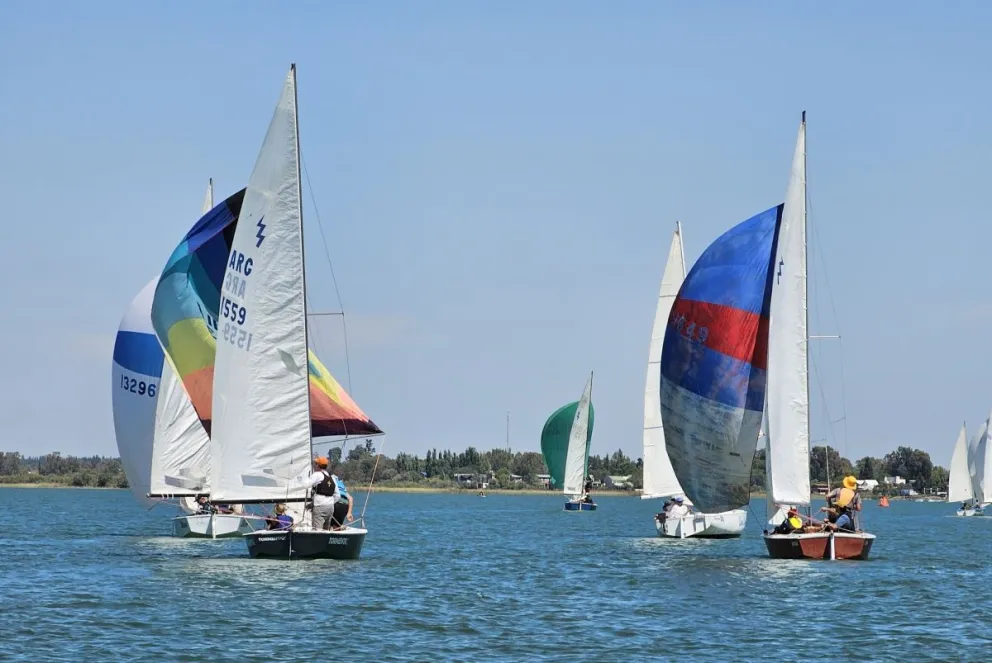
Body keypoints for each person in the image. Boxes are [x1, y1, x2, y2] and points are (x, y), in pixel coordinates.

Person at [297, 456, 339, 530]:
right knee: (326, 530)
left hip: (320, 507)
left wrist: (299, 478)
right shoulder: (332, 478)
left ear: (317, 465)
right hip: (330, 507)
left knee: (317, 531)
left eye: (314, 464)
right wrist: (329, 502)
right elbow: (338, 496)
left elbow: (306, 485)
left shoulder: (317, 474)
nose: (313, 466)